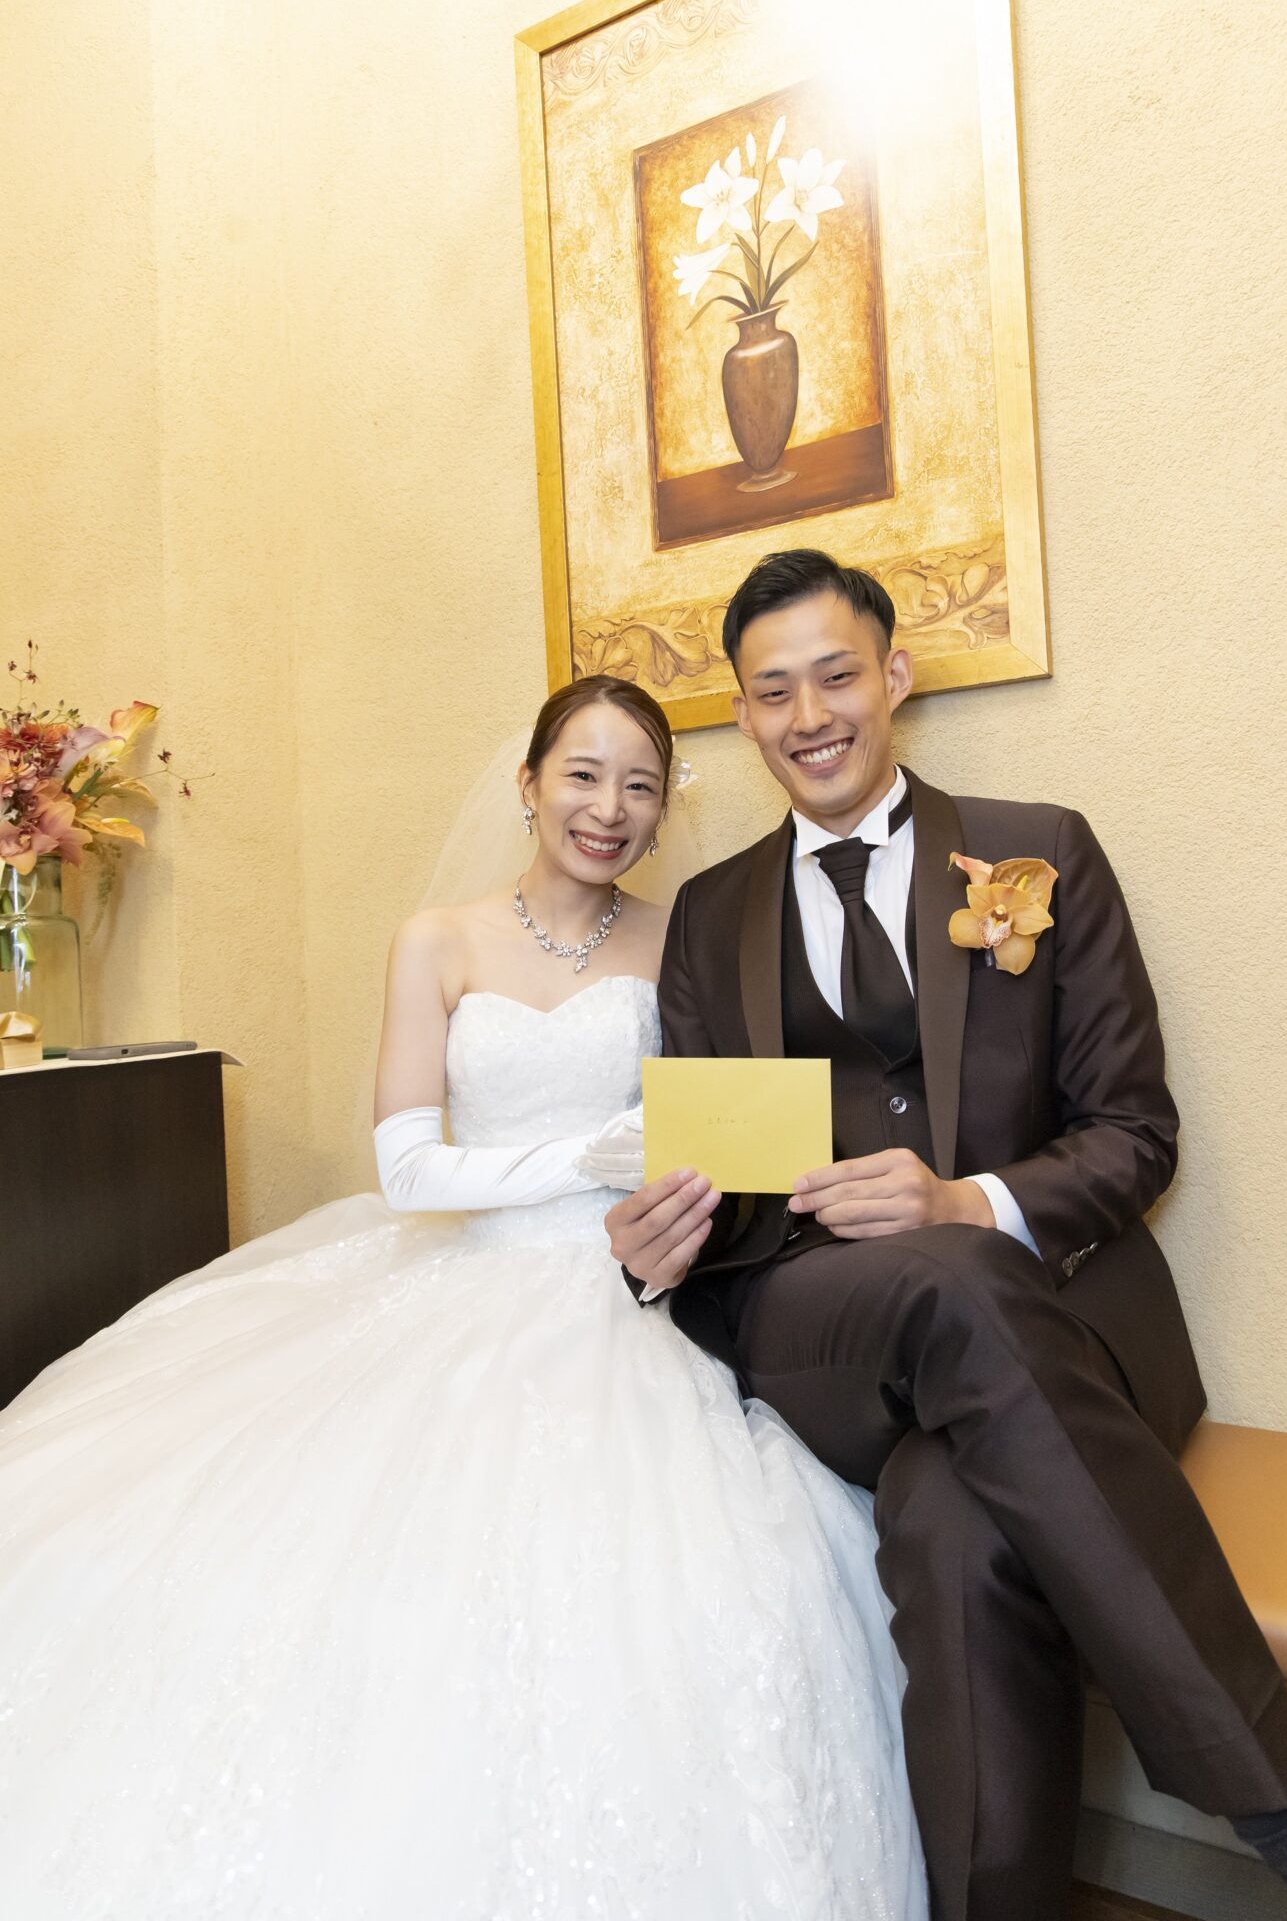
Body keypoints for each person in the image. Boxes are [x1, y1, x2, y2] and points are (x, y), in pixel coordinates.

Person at [0, 672, 927, 1921]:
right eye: (582, 775)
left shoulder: (688, 935)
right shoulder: (436, 939)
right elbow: (406, 1168)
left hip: (631, 1282)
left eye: (640, 785)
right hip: (465, 1266)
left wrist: (702, 1185)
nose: (608, 808)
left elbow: (734, 1117)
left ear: (666, 808)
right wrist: (596, 1155)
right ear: (528, 783)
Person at [607, 551, 1287, 1921]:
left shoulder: (1040, 848)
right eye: (772, 691)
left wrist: (962, 1202)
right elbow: (718, 1170)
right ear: (743, 715)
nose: (809, 715)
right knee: (938, 1292)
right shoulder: (710, 915)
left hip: (1066, 1317)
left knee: (951, 1525)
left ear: (894, 674)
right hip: (820, 1317)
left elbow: (1135, 1133)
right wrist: (660, 1238)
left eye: (835, 675)